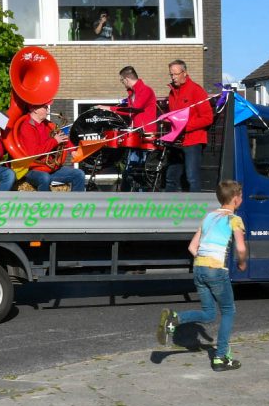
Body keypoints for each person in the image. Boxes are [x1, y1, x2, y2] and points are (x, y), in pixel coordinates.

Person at [156, 179, 247, 372]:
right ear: (236, 199)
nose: (241, 198)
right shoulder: (234, 220)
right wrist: (242, 262)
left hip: (198, 268)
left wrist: (204, 262)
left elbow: (192, 247)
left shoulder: (208, 217)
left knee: (208, 314)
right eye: (240, 195)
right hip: (215, 270)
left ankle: (175, 318)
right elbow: (240, 247)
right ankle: (220, 358)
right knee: (229, 311)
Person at [101, 66, 158, 191]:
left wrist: (109, 108)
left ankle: (143, 195)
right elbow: (130, 112)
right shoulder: (133, 93)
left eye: (122, 81)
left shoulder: (145, 90)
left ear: (126, 79)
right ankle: (131, 193)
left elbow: (134, 109)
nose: (122, 84)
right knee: (131, 167)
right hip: (136, 135)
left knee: (141, 169)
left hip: (146, 136)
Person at [165, 60, 213, 193]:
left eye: (175, 74)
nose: (173, 77)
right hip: (176, 141)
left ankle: (195, 211)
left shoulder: (196, 90)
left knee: (192, 177)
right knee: (171, 177)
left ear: (185, 73)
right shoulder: (172, 92)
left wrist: (185, 127)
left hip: (193, 140)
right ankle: (168, 209)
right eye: (171, 74)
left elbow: (207, 118)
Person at [16, 103, 86, 192]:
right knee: (44, 178)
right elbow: (33, 153)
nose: (48, 110)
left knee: (79, 174)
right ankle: (46, 204)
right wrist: (54, 141)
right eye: (45, 107)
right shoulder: (27, 127)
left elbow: (63, 137)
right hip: (32, 169)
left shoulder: (47, 124)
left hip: (49, 168)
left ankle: (76, 204)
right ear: (35, 110)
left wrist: (72, 150)